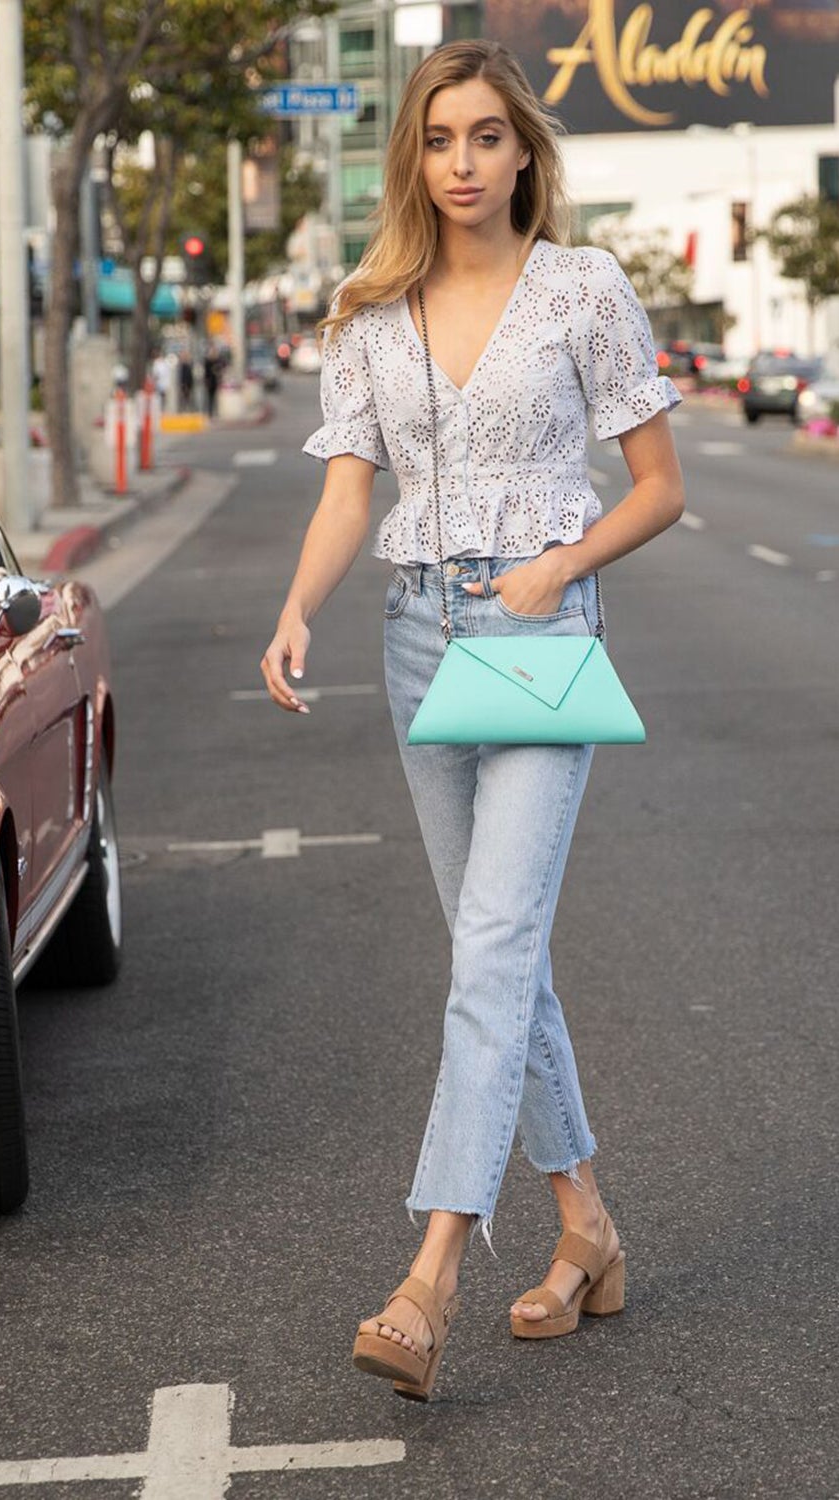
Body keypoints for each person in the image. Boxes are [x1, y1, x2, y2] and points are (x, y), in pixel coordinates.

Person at [260, 40, 684, 1400]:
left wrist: (562, 565)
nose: (462, 162)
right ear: (415, 155)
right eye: (440, 138)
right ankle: (585, 1229)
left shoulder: (582, 288)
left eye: (487, 137)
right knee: (494, 957)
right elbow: (345, 491)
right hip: (416, 636)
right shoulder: (372, 310)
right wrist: (296, 609)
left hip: (543, 636)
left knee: (492, 949)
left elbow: (658, 486)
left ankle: (429, 1276)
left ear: (522, 154)